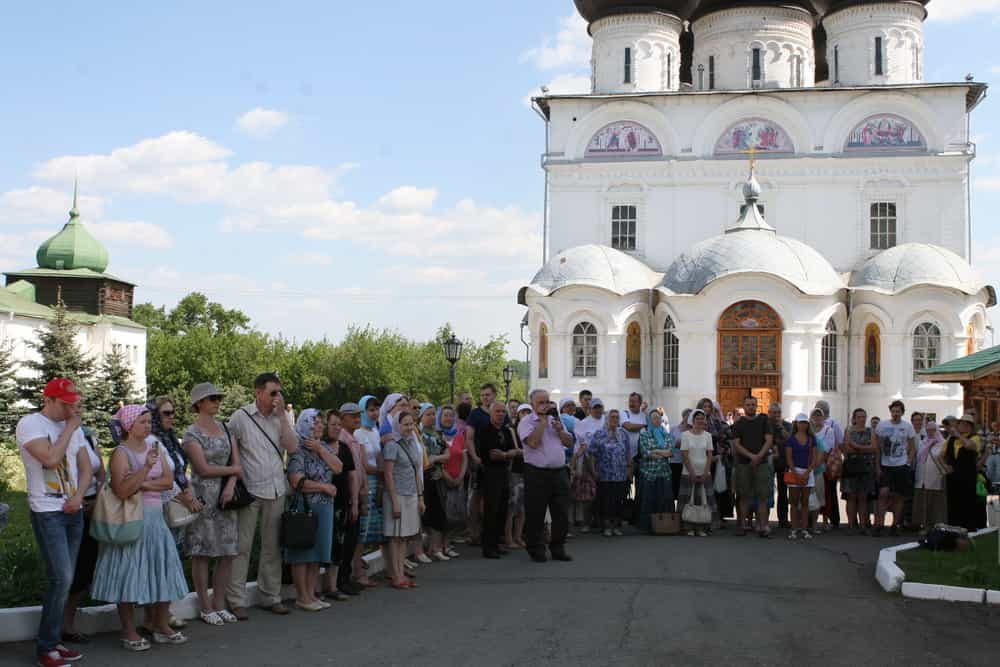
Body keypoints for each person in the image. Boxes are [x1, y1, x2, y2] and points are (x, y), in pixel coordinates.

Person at [91, 404, 188, 651]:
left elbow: (168, 482)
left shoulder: (154, 447)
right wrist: (145, 471)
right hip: (131, 520)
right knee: (128, 573)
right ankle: (129, 630)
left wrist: (140, 483)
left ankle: (160, 624)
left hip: (155, 519)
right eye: (143, 422)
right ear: (129, 426)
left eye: (149, 421)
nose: (148, 425)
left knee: (161, 568)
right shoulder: (121, 453)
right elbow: (121, 490)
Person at [16, 378, 93, 667]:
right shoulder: (30, 424)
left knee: (66, 579)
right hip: (47, 511)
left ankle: (54, 642)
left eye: (73, 403)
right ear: (47, 400)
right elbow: (49, 458)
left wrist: (79, 496)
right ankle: (46, 648)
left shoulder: (73, 428)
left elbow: (87, 466)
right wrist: (71, 427)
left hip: (73, 510)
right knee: (60, 578)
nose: (70, 409)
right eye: (65, 404)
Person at [225, 372, 298, 619]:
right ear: (258, 392)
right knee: (242, 547)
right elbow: (229, 449)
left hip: (276, 489)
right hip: (250, 490)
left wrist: (284, 419)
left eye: (279, 392)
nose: (276, 397)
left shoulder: (282, 417)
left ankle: (271, 597)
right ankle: (236, 600)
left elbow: (293, 448)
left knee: (272, 548)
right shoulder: (241, 417)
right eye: (272, 393)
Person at [181, 383, 240, 625]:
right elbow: (202, 469)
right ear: (199, 403)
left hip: (226, 498)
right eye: (211, 398)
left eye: (218, 397)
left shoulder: (226, 429)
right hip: (203, 498)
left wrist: (230, 484)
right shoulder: (191, 433)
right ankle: (205, 607)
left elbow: (238, 465)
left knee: (227, 552)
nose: (217, 401)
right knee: (202, 553)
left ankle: (219, 603)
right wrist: (233, 470)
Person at [285, 409, 341, 611]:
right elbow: (295, 480)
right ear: (305, 424)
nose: (320, 425)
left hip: (325, 507)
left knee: (317, 553)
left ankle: (311, 594)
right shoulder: (297, 449)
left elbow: (338, 468)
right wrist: (323, 487)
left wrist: (320, 450)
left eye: (320, 422)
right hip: (305, 507)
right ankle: (302, 597)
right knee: (303, 553)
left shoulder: (323, 447)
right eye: (315, 422)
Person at [60, 424, 107, 646]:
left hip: (91, 508)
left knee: (86, 566)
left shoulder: (87, 435)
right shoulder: (56, 434)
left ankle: (67, 623)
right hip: (66, 507)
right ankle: (60, 625)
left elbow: (100, 471)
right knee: (69, 568)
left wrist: (97, 498)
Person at [518, 389, 574, 562]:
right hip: (537, 473)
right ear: (533, 404)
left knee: (561, 513)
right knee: (536, 513)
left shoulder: (556, 420)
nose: (545, 405)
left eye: (547, 402)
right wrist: (542, 423)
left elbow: (569, 442)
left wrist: (559, 430)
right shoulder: (526, 422)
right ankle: (536, 549)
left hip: (558, 472)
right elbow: (533, 443)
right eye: (541, 402)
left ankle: (558, 547)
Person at [383, 411, 425, 589]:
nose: (409, 427)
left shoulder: (413, 444)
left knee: (404, 537)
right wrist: (394, 501)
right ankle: (396, 575)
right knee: (395, 538)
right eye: (405, 424)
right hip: (397, 494)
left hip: (411, 495)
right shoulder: (392, 445)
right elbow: (388, 474)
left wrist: (421, 497)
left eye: (411, 424)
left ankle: (401, 574)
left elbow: (417, 472)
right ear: (397, 426)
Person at [322, 408, 358, 600]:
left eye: (338, 424)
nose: (336, 428)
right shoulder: (318, 446)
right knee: (324, 544)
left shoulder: (344, 448)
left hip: (343, 502)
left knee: (340, 542)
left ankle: (333, 585)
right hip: (323, 502)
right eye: (332, 424)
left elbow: (352, 476)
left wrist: (355, 503)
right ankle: (320, 587)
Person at [477, 401, 517, 558]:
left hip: (504, 473)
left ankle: (497, 543)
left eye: (503, 412)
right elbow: (493, 454)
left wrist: (506, 454)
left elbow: (514, 451)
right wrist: (508, 454)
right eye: (497, 411)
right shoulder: (485, 431)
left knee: (502, 509)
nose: (501, 414)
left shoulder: (506, 431)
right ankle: (488, 547)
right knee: (491, 510)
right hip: (490, 474)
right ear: (491, 413)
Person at [335, 403, 367, 595]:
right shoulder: (342, 440)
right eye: (352, 416)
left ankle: (346, 577)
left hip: (356, 493)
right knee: (345, 539)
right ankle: (340, 580)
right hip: (346, 494)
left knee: (353, 538)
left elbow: (360, 468)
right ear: (343, 418)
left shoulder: (353, 439)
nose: (357, 419)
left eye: (358, 416)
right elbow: (348, 472)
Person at [731, 396, 773, 538]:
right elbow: (736, 444)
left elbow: (769, 440)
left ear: (757, 406)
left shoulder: (763, 420)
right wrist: (751, 456)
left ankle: (763, 526)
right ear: (744, 406)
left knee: (762, 497)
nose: (751, 407)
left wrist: (759, 456)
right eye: (748, 405)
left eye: (753, 405)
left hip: (761, 464)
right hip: (744, 464)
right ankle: (742, 525)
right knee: (743, 496)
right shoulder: (738, 424)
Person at [874, 400, 917, 536]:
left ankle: (895, 525)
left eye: (898, 411)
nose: (895, 414)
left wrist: (908, 463)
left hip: (901, 465)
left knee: (899, 496)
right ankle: (879, 524)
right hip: (886, 465)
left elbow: (912, 447)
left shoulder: (907, 427)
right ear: (890, 412)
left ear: (902, 412)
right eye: (893, 411)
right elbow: (877, 447)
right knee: (883, 494)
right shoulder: (882, 426)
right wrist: (877, 466)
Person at [355, 396, 384, 582]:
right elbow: (364, 464)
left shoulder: (376, 430)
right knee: (362, 529)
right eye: (370, 410)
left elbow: (380, 456)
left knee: (374, 530)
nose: (374, 413)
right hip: (366, 482)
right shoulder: (358, 433)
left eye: (376, 409)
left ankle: (360, 566)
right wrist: (383, 471)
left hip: (379, 481)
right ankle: (357, 571)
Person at [589, 409, 631, 537]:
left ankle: (616, 526)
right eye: (612, 417)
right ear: (607, 419)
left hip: (620, 474)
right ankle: (606, 526)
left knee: (619, 500)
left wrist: (629, 470)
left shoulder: (623, 434)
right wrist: (593, 470)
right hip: (604, 474)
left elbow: (628, 453)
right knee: (606, 501)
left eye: (617, 417)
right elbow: (592, 454)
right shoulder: (599, 433)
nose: (615, 420)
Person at [944, 414, 989, 531]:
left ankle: (968, 528)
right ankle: (953, 528)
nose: (962, 426)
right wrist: (945, 467)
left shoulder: (975, 438)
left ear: (970, 427)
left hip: (967, 476)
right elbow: (940, 455)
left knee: (967, 502)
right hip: (953, 476)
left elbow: (969, 446)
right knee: (953, 503)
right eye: (961, 423)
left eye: (965, 424)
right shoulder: (951, 439)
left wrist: (958, 435)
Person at [419, 403, 452, 560]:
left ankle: (436, 548)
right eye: (428, 414)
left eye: (433, 414)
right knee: (426, 514)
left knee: (439, 512)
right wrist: (431, 460)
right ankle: (426, 549)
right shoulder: (418, 433)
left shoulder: (438, 433)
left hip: (438, 477)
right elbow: (423, 459)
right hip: (424, 478)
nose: (432, 417)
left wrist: (436, 458)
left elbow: (447, 453)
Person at [841, 408, 878, 535]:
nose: (862, 419)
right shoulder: (849, 430)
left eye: (864, 416)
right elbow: (846, 448)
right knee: (851, 496)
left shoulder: (870, 431)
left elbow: (874, 448)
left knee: (863, 497)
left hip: (866, 467)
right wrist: (864, 449)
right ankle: (851, 525)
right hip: (851, 466)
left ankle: (862, 525)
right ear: (854, 418)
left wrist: (856, 447)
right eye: (859, 417)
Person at [637, 409, 674, 533]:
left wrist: (656, 451)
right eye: (654, 418)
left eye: (658, 418)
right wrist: (660, 453)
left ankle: (665, 526)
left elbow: (670, 452)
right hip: (649, 473)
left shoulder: (666, 434)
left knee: (665, 500)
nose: (657, 420)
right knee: (648, 500)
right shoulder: (644, 435)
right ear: (649, 420)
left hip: (664, 473)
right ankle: (648, 527)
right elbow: (645, 453)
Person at [679, 409, 715, 537]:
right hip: (688, 472)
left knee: (703, 502)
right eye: (697, 418)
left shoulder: (708, 436)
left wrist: (706, 471)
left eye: (702, 418)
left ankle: (702, 528)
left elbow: (710, 455)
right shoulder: (685, 435)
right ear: (692, 420)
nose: (700, 421)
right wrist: (692, 473)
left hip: (705, 472)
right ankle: (688, 527)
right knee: (689, 500)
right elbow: (684, 455)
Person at [438, 404, 466, 556]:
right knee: (443, 513)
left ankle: (447, 543)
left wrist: (461, 476)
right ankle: (439, 546)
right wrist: (447, 477)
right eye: (445, 415)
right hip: (442, 479)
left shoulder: (459, 435)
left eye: (451, 415)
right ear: (440, 418)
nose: (448, 418)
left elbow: (464, 457)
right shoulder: (437, 435)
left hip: (457, 479)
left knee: (455, 514)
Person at [785, 414, 818, 540]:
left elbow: (814, 458)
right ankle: (793, 529)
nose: (803, 425)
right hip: (793, 471)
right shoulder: (791, 439)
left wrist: (807, 472)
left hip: (808, 472)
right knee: (793, 502)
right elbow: (789, 458)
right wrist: (795, 472)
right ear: (796, 424)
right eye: (800, 422)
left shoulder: (812, 439)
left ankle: (804, 529)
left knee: (805, 502)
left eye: (805, 422)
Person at [913, 420, 948, 532]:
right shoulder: (922, 442)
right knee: (923, 503)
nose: (930, 432)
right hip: (921, 479)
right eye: (928, 430)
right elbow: (919, 458)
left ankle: (935, 527)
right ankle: (924, 526)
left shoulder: (942, 443)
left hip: (935, 479)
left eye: (933, 430)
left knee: (935, 504)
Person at [815, 400, 844, 530]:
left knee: (829, 492)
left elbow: (839, 442)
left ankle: (833, 519)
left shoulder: (833, 424)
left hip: (828, 463)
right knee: (818, 491)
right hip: (816, 463)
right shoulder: (812, 424)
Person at [505, 404, 531, 549]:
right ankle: (508, 537)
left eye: (528, 412)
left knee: (523, 507)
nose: (526, 414)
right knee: (512, 506)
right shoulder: (512, 430)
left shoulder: (533, 430)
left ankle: (518, 536)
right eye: (523, 412)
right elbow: (513, 450)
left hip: (529, 470)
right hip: (515, 471)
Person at [767, 403, 792, 529]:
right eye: (773, 413)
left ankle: (783, 519)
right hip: (769, 463)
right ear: (769, 413)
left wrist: (782, 428)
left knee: (783, 492)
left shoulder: (787, 425)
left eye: (778, 413)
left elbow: (792, 441)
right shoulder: (765, 425)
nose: (776, 416)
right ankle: (764, 519)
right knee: (767, 490)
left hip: (785, 463)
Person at [669, 409, 692, 507]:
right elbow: (669, 443)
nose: (688, 419)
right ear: (683, 417)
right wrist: (677, 444)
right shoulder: (674, 429)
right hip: (674, 461)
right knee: (674, 487)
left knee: (684, 489)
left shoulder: (692, 430)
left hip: (687, 463)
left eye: (690, 417)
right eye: (687, 416)